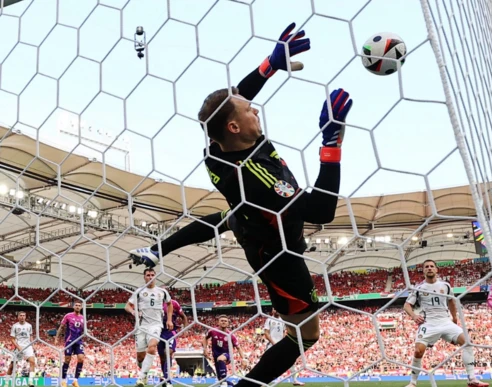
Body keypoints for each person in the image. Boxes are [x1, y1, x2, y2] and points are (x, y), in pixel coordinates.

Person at [129, 22, 352, 387]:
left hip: (249, 217)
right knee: (305, 336)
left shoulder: (216, 150)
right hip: (278, 251)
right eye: (250, 112)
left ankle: (158, 249)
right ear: (234, 128)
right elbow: (321, 212)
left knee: (229, 216)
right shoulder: (256, 175)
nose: (256, 111)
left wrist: (271, 63)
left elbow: (229, 102)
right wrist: (331, 143)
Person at [403, 260, 489, 387]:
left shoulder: (445, 286)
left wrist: (454, 318)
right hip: (429, 324)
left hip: (445, 321)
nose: (429, 268)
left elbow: (452, 302)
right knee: (418, 352)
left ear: (436, 270)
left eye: (432, 266)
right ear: (423, 271)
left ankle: (472, 379)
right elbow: (406, 305)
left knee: (467, 342)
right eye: (426, 267)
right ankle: (413, 383)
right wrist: (414, 316)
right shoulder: (419, 288)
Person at [125, 268, 173, 387]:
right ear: (144, 277)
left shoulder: (162, 291)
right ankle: (144, 374)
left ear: (155, 276)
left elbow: (170, 304)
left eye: (152, 275)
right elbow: (127, 306)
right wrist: (133, 312)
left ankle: (141, 378)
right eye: (148, 275)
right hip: (141, 326)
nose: (150, 277)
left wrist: (169, 319)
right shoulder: (139, 291)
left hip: (156, 325)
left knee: (152, 348)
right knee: (140, 357)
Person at [263, 309, 303, 386]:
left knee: (291, 360)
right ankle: (262, 381)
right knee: (266, 363)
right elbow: (266, 333)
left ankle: (294, 380)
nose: (276, 311)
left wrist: (283, 342)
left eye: (277, 309)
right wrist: (274, 343)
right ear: (272, 310)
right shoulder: (269, 320)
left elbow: (285, 332)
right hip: (271, 345)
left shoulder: (283, 320)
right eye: (274, 309)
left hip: (281, 345)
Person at [203, 315, 246, 386]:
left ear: (228, 323)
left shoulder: (231, 335)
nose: (223, 322)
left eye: (225, 321)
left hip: (227, 355)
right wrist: (205, 349)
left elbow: (238, 347)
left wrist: (244, 359)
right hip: (215, 356)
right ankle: (233, 384)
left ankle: (224, 380)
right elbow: (205, 339)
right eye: (222, 321)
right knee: (221, 381)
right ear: (218, 322)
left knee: (220, 359)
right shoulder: (213, 331)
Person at [158, 298, 188, 387]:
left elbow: (183, 316)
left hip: (170, 332)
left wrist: (185, 328)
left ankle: (167, 380)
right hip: (158, 332)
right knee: (162, 357)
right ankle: (166, 379)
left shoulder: (174, 303)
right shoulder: (155, 302)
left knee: (168, 352)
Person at [55, 300, 85, 387]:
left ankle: (75, 381)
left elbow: (83, 330)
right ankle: (63, 380)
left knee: (81, 358)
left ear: (81, 307)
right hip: (69, 341)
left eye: (79, 305)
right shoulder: (68, 316)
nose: (78, 307)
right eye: (76, 305)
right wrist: (57, 338)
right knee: (67, 359)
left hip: (79, 341)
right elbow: (61, 327)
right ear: (73, 306)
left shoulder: (83, 318)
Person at [8, 311, 36, 387]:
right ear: (18, 317)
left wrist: (32, 344)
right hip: (19, 346)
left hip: (28, 346)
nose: (22, 317)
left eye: (24, 315)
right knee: (12, 365)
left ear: (25, 316)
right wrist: (18, 347)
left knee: (32, 362)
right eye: (21, 315)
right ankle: (7, 383)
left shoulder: (29, 325)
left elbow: (31, 335)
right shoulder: (15, 326)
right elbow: (12, 339)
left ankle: (30, 382)